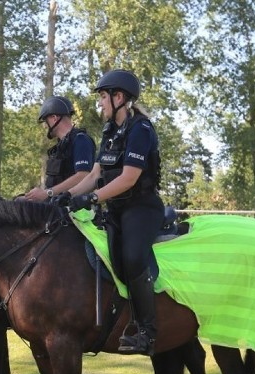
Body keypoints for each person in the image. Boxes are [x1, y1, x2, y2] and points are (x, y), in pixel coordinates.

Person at [66, 69, 164, 355]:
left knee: (133, 258)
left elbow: (129, 178)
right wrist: (65, 196)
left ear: (119, 97)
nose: (101, 104)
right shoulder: (109, 132)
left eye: (103, 98)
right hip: (117, 209)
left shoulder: (141, 130)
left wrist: (92, 198)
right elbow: (95, 174)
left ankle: (147, 332)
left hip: (142, 208)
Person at [24, 95, 96, 202]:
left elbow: (83, 175)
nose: (45, 126)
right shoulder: (59, 147)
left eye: (45, 121)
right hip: (55, 205)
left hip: (73, 210)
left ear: (54, 118)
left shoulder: (80, 140)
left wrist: (47, 193)